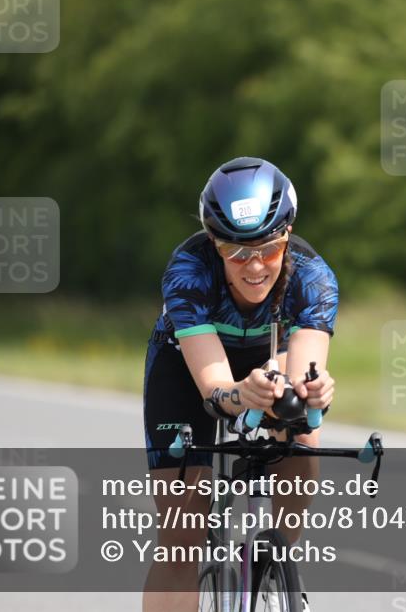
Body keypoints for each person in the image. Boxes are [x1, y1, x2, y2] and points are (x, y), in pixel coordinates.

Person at [142, 156, 337, 612]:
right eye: (236, 252)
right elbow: (213, 388)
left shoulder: (314, 278)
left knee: (300, 426)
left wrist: (312, 393)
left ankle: (280, 556)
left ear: (287, 236)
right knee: (180, 538)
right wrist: (238, 394)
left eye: (268, 250)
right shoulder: (188, 270)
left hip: (271, 353)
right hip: (187, 365)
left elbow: (304, 372)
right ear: (214, 243)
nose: (255, 267)